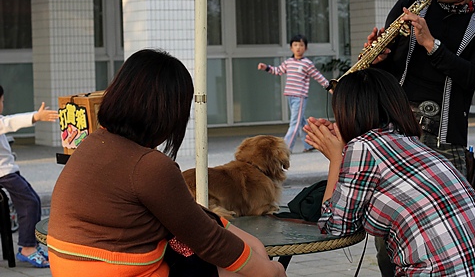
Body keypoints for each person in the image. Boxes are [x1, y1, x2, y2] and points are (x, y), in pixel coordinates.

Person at [48, 49, 286, 277]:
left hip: (70, 267)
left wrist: (248, 244)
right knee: (244, 271)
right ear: (169, 113)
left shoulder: (92, 144)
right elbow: (208, 239)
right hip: (122, 271)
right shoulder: (149, 165)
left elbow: (189, 215)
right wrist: (269, 271)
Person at [364, 0, 475, 277]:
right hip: (394, 137)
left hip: (446, 144)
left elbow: (471, 77)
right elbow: (390, 65)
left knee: (444, 243)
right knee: (390, 241)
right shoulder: (408, 5)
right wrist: (379, 56)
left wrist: (431, 44)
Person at [304, 68, 475, 276]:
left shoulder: (363, 147)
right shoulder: (409, 142)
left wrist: (336, 159)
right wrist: (343, 147)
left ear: (347, 111)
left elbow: (335, 226)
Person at [0, 85, 58, 268]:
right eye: (1, 101)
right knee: (29, 202)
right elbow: (9, 122)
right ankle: (27, 248)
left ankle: (31, 244)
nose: (3, 105)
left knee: (33, 200)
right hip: (3, 174)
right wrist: (36, 116)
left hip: (8, 171)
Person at [258, 34, 330, 153]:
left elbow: (318, 76)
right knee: (300, 122)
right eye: (295, 45)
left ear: (305, 48)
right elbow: (278, 71)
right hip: (290, 96)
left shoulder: (307, 63)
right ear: (291, 48)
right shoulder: (289, 62)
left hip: (299, 97)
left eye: (301, 45)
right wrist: (266, 67)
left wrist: (329, 87)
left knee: (294, 124)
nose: (298, 48)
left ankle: (284, 149)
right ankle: (309, 144)